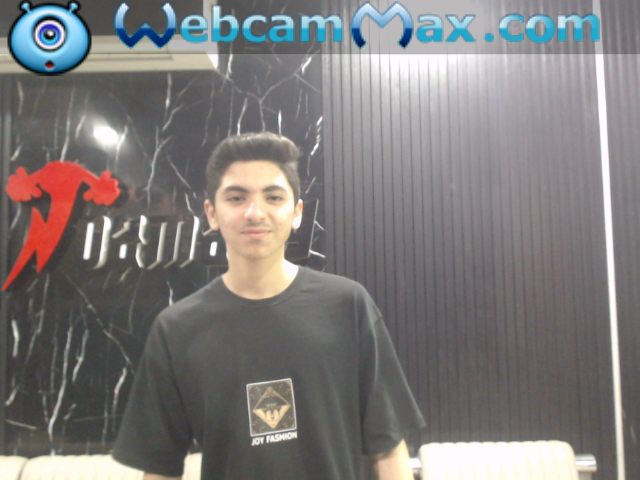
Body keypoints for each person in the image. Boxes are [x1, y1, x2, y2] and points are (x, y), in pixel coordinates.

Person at [112, 132, 426, 480]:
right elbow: (159, 467)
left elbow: (387, 445)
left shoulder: (347, 306)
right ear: (212, 213)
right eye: (236, 198)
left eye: (273, 197)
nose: (254, 212)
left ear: (297, 212)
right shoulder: (177, 329)